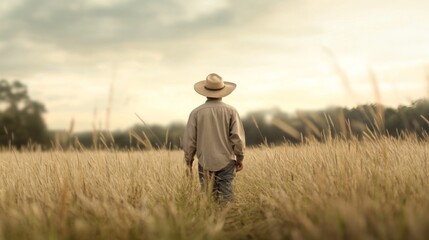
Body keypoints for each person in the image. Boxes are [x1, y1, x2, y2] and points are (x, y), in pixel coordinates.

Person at [183, 73, 246, 204]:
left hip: (204, 161)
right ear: (222, 93)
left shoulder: (196, 113)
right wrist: (239, 158)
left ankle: (210, 223)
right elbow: (237, 138)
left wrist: (188, 162)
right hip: (227, 161)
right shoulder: (231, 111)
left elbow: (190, 141)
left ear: (205, 93)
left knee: (207, 199)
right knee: (226, 199)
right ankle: (226, 222)